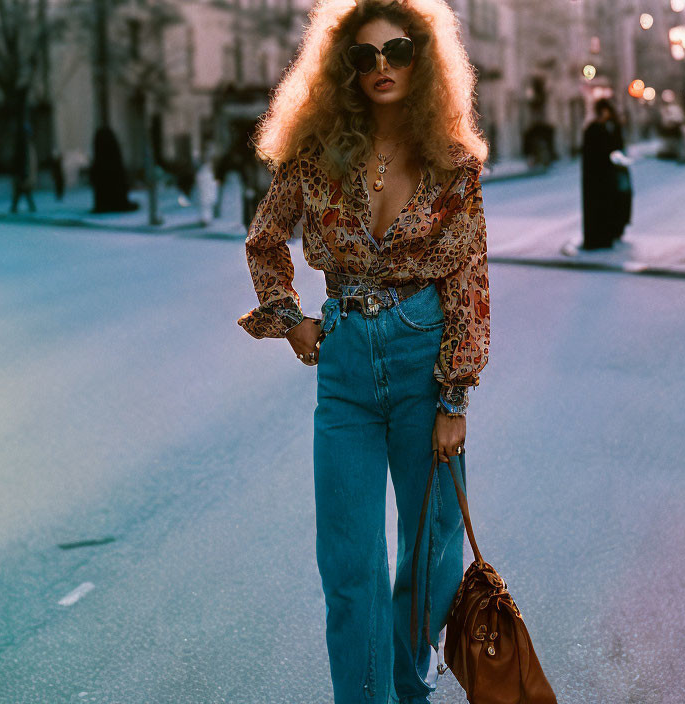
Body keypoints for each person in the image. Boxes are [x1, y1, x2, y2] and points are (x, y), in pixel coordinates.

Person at [236, 0, 491, 701]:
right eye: (364, 55)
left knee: (432, 550)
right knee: (349, 567)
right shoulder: (314, 155)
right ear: (344, 68)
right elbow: (265, 239)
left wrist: (454, 396)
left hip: (422, 354)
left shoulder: (453, 163)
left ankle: (408, 683)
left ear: (424, 60)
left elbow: (468, 279)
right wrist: (289, 319)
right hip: (345, 363)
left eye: (398, 51)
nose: (382, 66)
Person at [581, 98, 631, 250]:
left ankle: (609, 233)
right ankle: (606, 235)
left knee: (610, 203)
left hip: (603, 175)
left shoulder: (605, 127)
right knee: (606, 204)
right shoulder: (598, 128)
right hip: (603, 176)